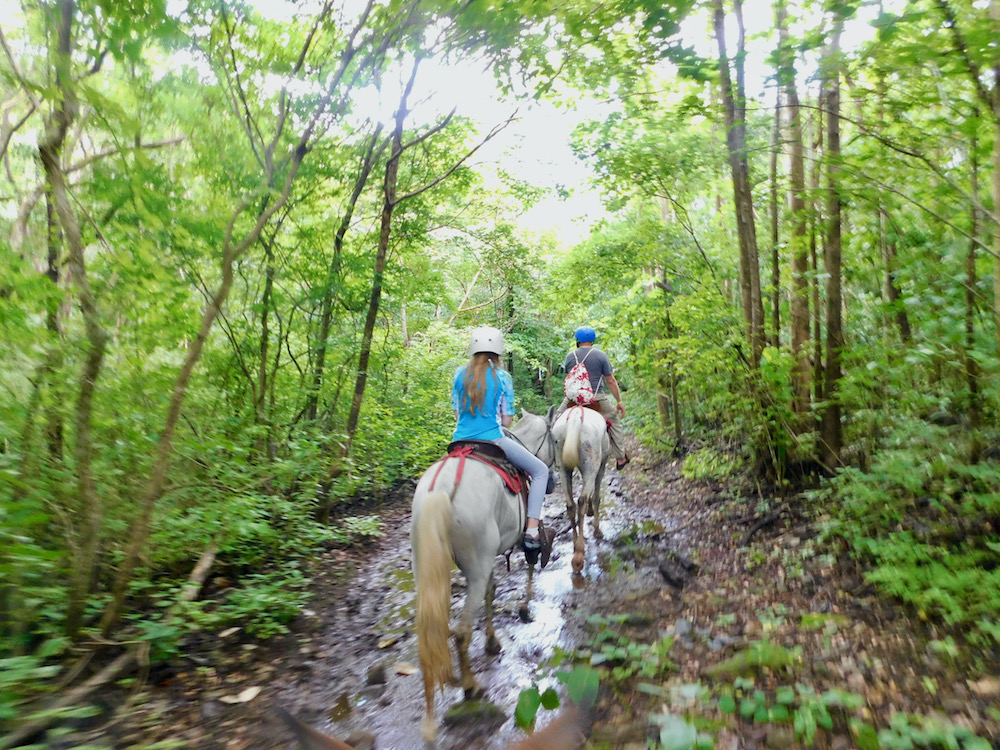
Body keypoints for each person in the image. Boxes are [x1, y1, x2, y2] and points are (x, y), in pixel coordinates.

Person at [452, 326, 551, 564]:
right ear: (498, 351)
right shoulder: (501, 377)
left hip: (459, 442)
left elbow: (457, 414)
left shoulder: (459, 375)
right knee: (541, 471)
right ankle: (532, 531)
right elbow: (507, 420)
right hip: (492, 439)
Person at [557, 326, 630, 470]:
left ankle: (553, 459)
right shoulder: (601, 355)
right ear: (593, 340)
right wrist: (619, 402)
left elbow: (569, 377)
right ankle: (620, 457)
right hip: (596, 398)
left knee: (556, 420)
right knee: (614, 422)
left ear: (577, 340)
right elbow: (610, 381)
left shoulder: (570, 356)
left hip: (573, 398)